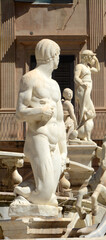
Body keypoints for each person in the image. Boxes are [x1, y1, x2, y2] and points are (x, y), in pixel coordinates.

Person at [15, 39, 68, 206]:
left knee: (50, 196)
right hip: (40, 136)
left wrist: (63, 150)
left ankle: (27, 190)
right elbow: (19, 112)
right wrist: (40, 111)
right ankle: (21, 192)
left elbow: (60, 120)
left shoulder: (55, 85)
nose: (59, 59)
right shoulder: (29, 78)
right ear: (51, 56)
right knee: (46, 193)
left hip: (55, 140)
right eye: (58, 55)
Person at [74, 49, 100, 143]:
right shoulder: (79, 66)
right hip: (83, 89)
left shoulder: (88, 67)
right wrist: (81, 83)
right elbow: (76, 77)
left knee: (88, 112)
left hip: (87, 88)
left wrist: (96, 59)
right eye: (91, 57)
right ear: (86, 57)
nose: (92, 59)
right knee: (88, 110)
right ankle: (81, 130)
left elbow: (97, 69)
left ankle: (84, 133)